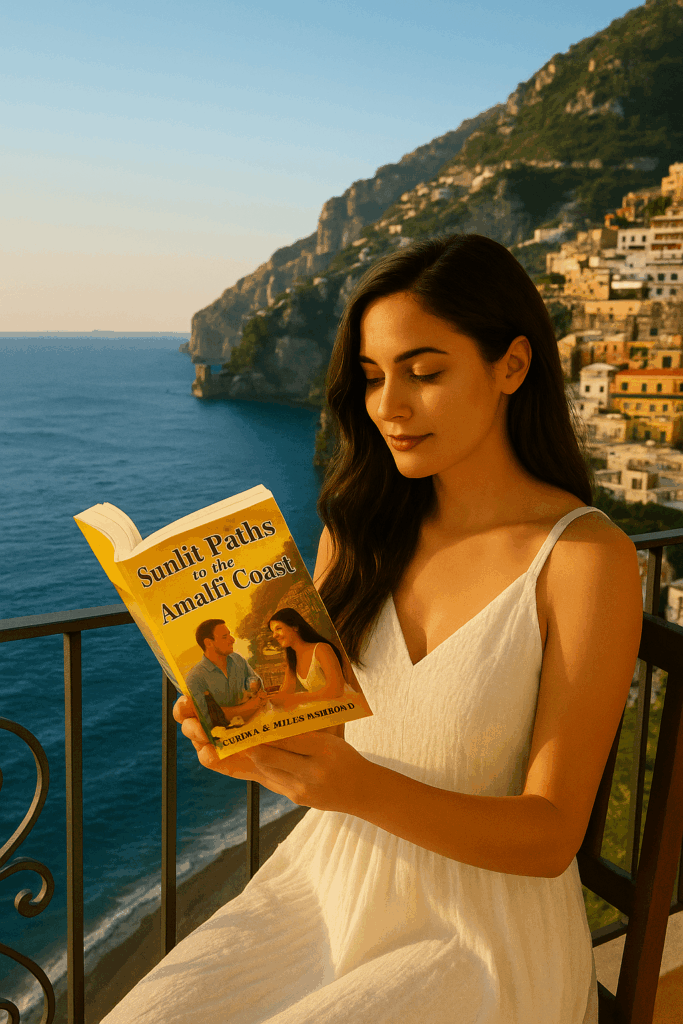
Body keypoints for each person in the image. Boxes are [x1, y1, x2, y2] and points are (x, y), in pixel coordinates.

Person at [103, 234, 643, 1024]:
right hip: (329, 883)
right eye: (370, 378)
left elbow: (549, 835)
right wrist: (259, 750)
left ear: (512, 366)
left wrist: (350, 787)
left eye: (424, 373)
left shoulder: (582, 559)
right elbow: (329, 745)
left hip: (479, 927)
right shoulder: (353, 540)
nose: (388, 405)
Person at [185, 618, 266, 731]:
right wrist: (250, 705)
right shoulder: (195, 678)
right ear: (208, 643)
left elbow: (257, 686)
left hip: (256, 726)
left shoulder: (238, 659)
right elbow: (210, 721)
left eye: (230, 635)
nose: (232, 640)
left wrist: (252, 686)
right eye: (225, 637)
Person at [267, 607, 347, 708]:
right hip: (322, 708)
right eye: (272, 631)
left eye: (278, 628)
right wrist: (266, 698)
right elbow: (286, 692)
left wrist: (297, 698)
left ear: (295, 626)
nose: (274, 636)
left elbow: (336, 690)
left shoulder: (321, 649)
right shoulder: (292, 659)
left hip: (342, 705)